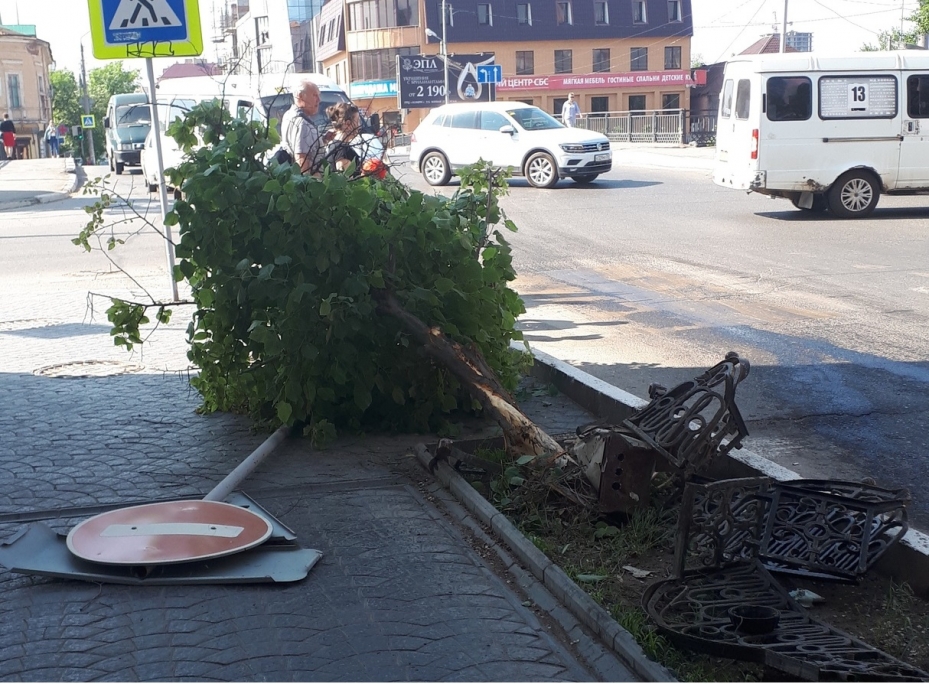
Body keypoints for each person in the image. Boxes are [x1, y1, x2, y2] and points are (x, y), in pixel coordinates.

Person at [279, 79, 329, 175]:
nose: (319, 100)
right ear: (300, 96)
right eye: (314, 95)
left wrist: (323, 140)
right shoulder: (302, 123)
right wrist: (307, 186)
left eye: (319, 95)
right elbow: (302, 163)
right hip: (312, 183)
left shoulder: (288, 115)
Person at [325, 102, 387, 179]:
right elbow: (347, 182)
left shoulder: (334, 145)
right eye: (357, 121)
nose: (359, 126)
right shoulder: (342, 151)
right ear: (348, 124)